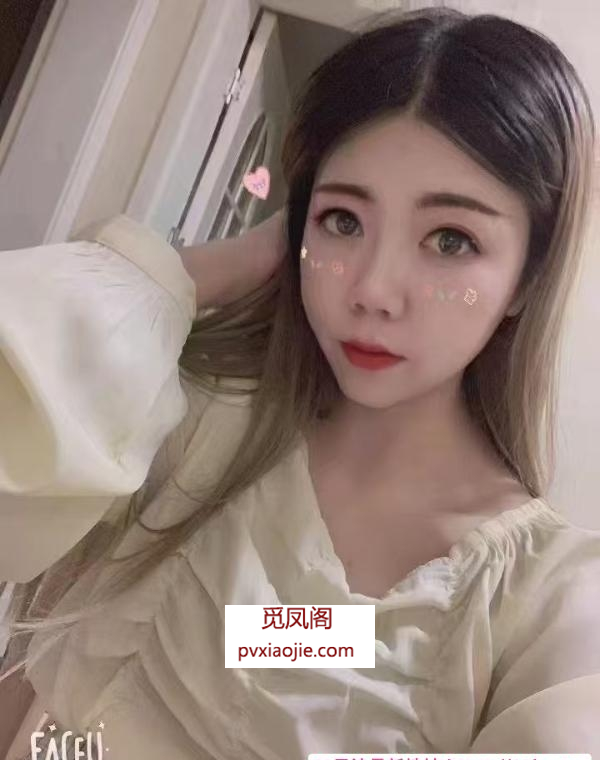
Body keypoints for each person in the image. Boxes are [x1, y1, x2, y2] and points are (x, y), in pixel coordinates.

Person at [1, 6, 599, 757]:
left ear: (526, 280)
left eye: (450, 240)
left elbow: (276, 643)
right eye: (344, 220)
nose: (373, 290)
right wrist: (214, 268)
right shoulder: (187, 419)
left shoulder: (546, 602)